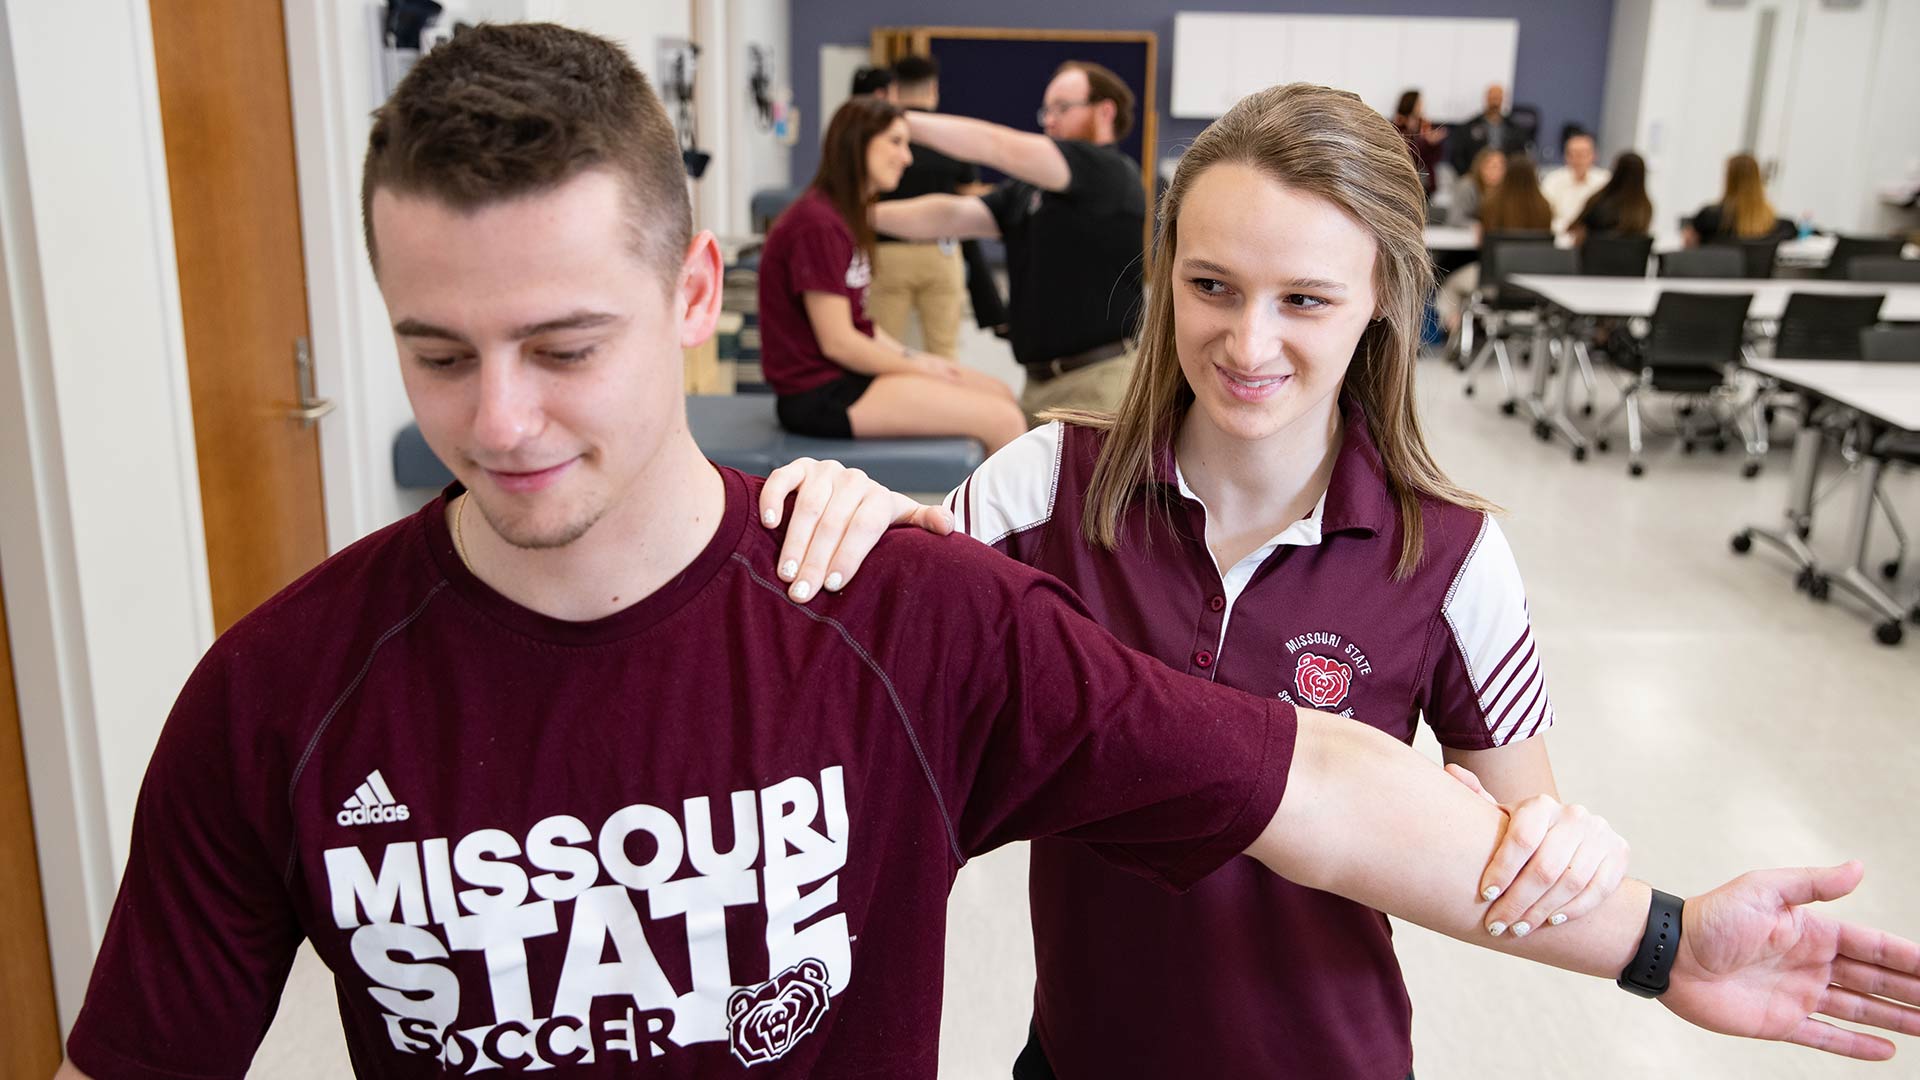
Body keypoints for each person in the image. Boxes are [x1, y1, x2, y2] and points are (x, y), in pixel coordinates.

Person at [54, 28, 1920, 1080]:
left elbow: (1327, 792)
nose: (504, 422)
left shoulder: (907, 622)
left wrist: (1666, 939)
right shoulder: (275, 700)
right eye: (439, 355)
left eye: (563, 347)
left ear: (693, 294)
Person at [761, 81, 1619, 1076]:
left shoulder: (1453, 555)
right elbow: (855, 688)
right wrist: (850, 525)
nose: (1248, 345)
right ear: (1166, 272)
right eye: (1212, 286)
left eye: (1304, 299)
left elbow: (1518, 851)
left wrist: (1568, 851)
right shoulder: (1043, 486)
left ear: (1384, 293)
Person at [873, 60, 1147, 423]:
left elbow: (996, 146)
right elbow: (950, 215)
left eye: (1062, 108)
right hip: (1040, 384)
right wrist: (861, 215)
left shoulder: (1109, 172)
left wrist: (890, 121)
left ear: (1105, 112)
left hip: (1100, 383)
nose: (1050, 121)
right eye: (1046, 111)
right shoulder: (1031, 189)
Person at [757, 96, 1025, 452]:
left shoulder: (843, 216)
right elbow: (839, 342)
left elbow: (862, 326)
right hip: (821, 394)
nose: (907, 157)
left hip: (846, 378)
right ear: (858, 144)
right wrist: (920, 370)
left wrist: (920, 360)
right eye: (895, 142)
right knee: (1004, 420)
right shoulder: (816, 225)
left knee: (1001, 392)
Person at [867, 55, 976, 361]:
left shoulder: (877, 134)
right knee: (944, 352)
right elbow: (969, 195)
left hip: (887, 251)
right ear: (933, 89)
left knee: (881, 352)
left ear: (893, 90)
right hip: (940, 252)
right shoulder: (951, 135)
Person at [1438, 153, 1551, 333]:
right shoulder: (1545, 208)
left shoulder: (1493, 204)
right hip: (1533, 282)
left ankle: (1454, 332)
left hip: (1494, 279)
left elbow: (1484, 239)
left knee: (1450, 284)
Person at [1684, 152, 1797, 246]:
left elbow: (1689, 245)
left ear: (1729, 180)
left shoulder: (1709, 217)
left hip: (1718, 267)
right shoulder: (1777, 225)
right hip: (1758, 268)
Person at [1571, 151, 1654, 246]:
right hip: (1630, 256)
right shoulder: (1645, 209)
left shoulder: (1598, 201)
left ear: (1616, 171)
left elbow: (1576, 229)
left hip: (1596, 254)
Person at [1539, 130, 1611, 237]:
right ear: (1566, 156)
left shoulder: (1605, 180)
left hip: (1594, 237)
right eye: (1573, 154)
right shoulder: (1553, 180)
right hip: (1558, 236)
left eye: (1583, 154)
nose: (1578, 159)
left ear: (1594, 155)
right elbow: (1544, 213)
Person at [1448, 83, 1531, 175]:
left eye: (1498, 98)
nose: (1495, 102)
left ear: (1503, 99)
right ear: (1486, 98)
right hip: (1475, 176)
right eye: (1492, 98)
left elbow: (1520, 156)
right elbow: (1457, 156)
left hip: (1507, 176)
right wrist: (1469, 174)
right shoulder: (1469, 128)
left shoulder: (1514, 129)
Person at [1390, 89, 1447, 199]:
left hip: (1426, 178)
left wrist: (1434, 144)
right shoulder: (1398, 125)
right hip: (1405, 177)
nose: (1422, 106)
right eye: (1419, 103)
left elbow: (1435, 157)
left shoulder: (1425, 124)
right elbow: (1406, 153)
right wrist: (1427, 143)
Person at [1443, 145, 1506, 228]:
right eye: (1493, 166)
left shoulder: (1505, 189)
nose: (1497, 172)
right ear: (1480, 167)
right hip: (1464, 234)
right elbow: (1454, 219)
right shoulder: (1467, 186)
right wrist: (1475, 225)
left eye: (1501, 168)